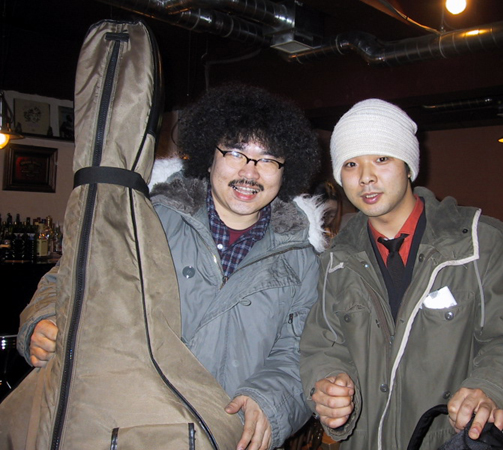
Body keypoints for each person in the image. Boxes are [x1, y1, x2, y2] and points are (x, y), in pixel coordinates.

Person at [17, 84, 326, 450]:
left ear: (285, 172)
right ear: (209, 156)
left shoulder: (301, 259)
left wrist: (271, 401)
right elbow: (68, 279)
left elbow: (301, 349)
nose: (250, 172)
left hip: (227, 434)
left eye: (269, 160)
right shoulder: (145, 220)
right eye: (235, 152)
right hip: (129, 427)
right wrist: (44, 319)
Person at [299, 99, 503, 449]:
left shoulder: (481, 243)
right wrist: (327, 383)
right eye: (350, 164)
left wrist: (494, 388)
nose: (366, 177)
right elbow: (323, 344)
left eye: (382, 158)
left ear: (409, 166)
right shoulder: (336, 258)